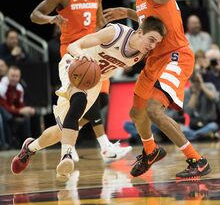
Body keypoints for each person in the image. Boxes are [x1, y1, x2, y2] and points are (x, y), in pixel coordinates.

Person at [10, 16, 166, 181]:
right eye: (151, 40)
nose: (152, 45)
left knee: (60, 130)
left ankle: (30, 147)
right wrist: (81, 56)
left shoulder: (141, 54)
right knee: (79, 100)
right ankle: (67, 157)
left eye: (156, 43)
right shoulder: (116, 33)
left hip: (95, 81)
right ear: (140, 32)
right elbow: (74, 46)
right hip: (75, 65)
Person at [103, 0, 211, 180]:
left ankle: (197, 160)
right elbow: (152, 25)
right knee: (137, 113)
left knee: (153, 110)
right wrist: (127, 12)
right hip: (154, 59)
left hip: (175, 55)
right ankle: (151, 150)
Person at [30, 0, 125, 162]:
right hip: (72, 51)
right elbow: (35, 15)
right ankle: (105, 147)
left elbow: (99, 23)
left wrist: (117, 26)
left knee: (102, 98)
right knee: (87, 98)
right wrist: (51, 19)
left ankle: (66, 135)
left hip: (93, 48)